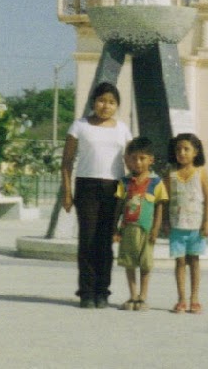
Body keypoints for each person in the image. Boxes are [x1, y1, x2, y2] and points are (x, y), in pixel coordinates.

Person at [61, 82, 132, 308]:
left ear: (117, 106)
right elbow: (67, 162)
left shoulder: (122, 129)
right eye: (102, 100)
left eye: (111, 102)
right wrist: (67, 192)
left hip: (114, 189)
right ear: (93, 102)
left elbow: (132, 162)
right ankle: (86, 293)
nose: (106, 106)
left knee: (106, 242)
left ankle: (102, 292)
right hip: (87, 187)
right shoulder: (79, 126)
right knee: (88, 240)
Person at [112, 137, 167, 311]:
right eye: (134, 158)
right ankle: (133, 295)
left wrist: (156, 229)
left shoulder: (156, 183)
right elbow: (119, 206)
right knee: (129, 263)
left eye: (142, 158)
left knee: (145, 264)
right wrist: (115, 229)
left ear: (151, 159)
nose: (138, 162)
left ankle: (143, 297)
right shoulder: (125, 182)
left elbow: (159, 207)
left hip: (146, 230)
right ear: (127, 160)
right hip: (128, 229)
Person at [166, 132, 208, 314]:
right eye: (178, 149)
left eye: (186, 149)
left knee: (194, 261)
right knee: (179, 262)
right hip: (177, 226)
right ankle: (181, 299)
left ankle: (195, 298)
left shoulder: (201, 173)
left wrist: (207, 222)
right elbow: (165, 199)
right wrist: (164, 222)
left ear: (196, 152)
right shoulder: (171, 174)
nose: (182, 153)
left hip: (196, 226)